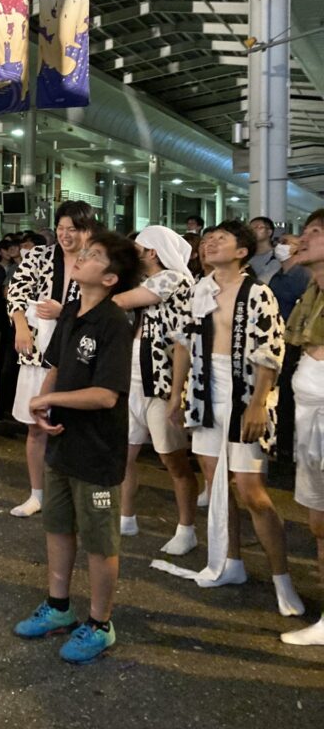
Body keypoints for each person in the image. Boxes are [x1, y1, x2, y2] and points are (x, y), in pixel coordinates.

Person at [14, 230, 142, 664]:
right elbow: (55, 365)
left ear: (109, 278)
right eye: (84, 252)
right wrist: (45, 407)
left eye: (94, 255)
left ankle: (100, 624)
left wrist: (49, 400)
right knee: (57, 526)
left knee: (100, 541)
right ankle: (58, 605)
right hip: (62, 442)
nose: (82, 256)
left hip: (97, 451)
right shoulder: (72, 311)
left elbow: (106, 395)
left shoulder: (113, 324)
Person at [167, 220, 303, 616]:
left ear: (242, 251)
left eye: (220, 239)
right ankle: (231, 563)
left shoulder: (258, 291)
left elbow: (270, 349)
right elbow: (182, 345)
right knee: (216, 483)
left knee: (252, 492)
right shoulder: (198, 290)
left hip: (244, 393)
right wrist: (176, 396)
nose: (209, 243)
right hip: (204, 392)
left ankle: (282, 578)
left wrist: (260, 402)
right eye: (206, 239)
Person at [6, 201, 95, 518]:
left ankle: (76, 494)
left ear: (87, 229)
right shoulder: (39, 255)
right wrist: (20, 326)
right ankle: (37, 493)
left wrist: (66, 312)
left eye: (72, 229)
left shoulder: (97, 259)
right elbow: (16, 291)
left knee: (76, 427)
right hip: (38, 347)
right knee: (35, 426)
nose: (65, 235)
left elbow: (107, 307)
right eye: (61, 228)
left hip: (79, 351)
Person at [113, 226, 198, 555]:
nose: (132, 249)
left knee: (174, 460)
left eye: (138, 245)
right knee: (126, 454)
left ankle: (186, 528)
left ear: (151, 251)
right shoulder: (146, 279)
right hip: (134, 377)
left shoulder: (172, 278)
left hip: (160, 382)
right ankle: (126, 516)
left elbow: (120, 301)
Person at [279, 209, 324, 645]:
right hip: (310, 418)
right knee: (318, 520)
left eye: (313, 233)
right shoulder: (313, 289)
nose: (300, 239)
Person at [269, 232, 310, 321]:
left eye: (284, 242)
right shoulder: (276, 277)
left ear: (298, 247)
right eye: (277, 242)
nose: (279, 246)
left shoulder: (305, 276)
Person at [248, 215, 281, 285]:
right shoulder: (246, 256)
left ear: (269, 232)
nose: (253, 231)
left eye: (258, 227)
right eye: (250, 228)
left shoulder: (277, 256)